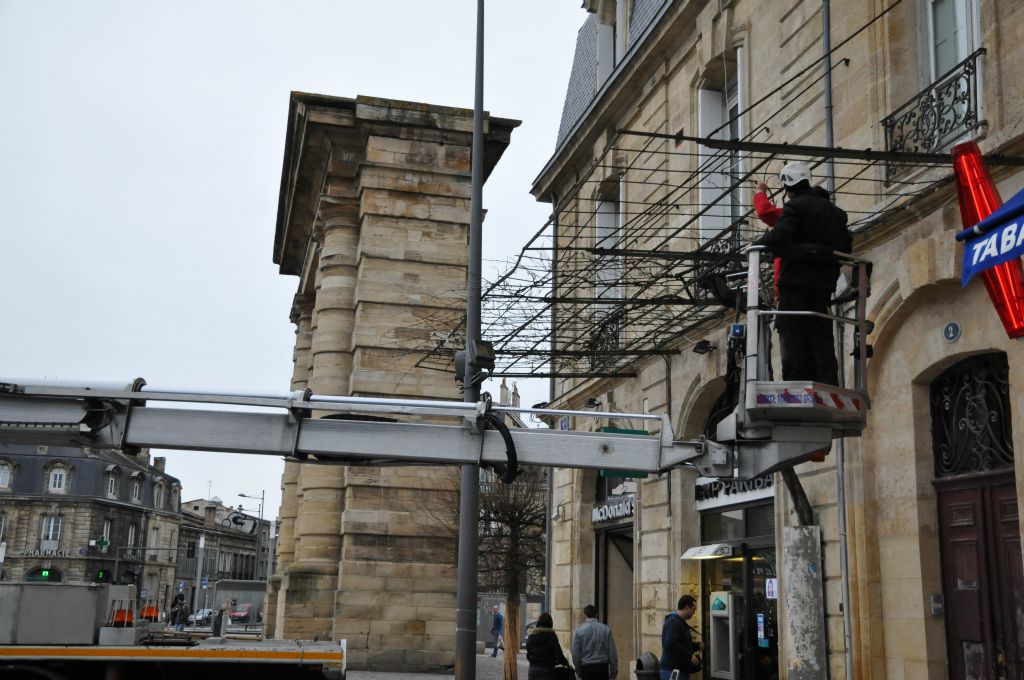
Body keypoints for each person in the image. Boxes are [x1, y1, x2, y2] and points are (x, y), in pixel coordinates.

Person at [753, 161, 851, 385]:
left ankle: (795, 383)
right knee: (821, 334)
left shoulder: (795, 207)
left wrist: (756, 247)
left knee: (793, 332)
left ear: (787, 187)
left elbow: (780, 235)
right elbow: (846, 247)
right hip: (824, 286)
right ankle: (827, 381)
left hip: (795, 283)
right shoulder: (836, 213)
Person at [659, 595, 703, 680]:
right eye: (693, 609)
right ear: (687, 607)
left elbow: (682, 644)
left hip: (676, 671)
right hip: (672, 671)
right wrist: (690, 657)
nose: (694, 613)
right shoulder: (673, 621)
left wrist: (697, 646)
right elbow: (670, 644)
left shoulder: (678, 622)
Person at [570, 604, 617, 680]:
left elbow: (575, 653)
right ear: (597, 615)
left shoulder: (579, 631)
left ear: (584, 615)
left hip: (587, 669)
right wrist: (613, 671)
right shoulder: (606, 630)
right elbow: (612, 653)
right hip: (602, 669)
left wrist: (578, 670)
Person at [526, 612, 570, 680]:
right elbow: (558, 654)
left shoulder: (532, 635)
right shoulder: (551, 636)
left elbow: (528, 651)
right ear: (550, 623)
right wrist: (565, 663)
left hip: (533, 670)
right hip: (547, 671)